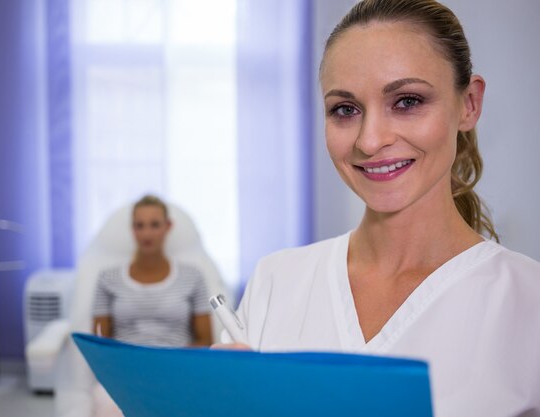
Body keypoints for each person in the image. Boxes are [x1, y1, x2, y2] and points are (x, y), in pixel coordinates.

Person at [219, 1, 540, 416]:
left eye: (407, 101)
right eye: (345, 109)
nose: (369, 141)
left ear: (469, 104)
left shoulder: (527, 303)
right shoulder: (276, 283)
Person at [91, 194, 213, 416]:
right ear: (133, 229)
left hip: (177, 369)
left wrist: (167, 364)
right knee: (109, 404)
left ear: (168, 227)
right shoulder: (107, 279)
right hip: (125, 371)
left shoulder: (192, 277)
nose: (147, 233)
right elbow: (99, 343)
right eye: (140, 226)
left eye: (154, 225)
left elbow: (206, 339)